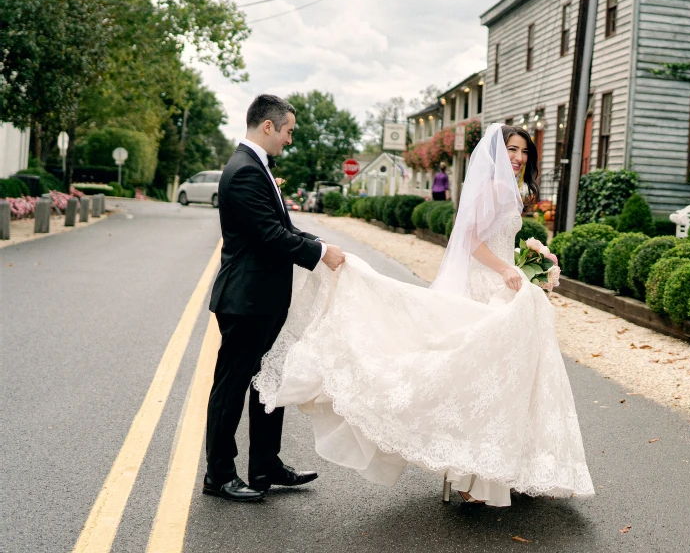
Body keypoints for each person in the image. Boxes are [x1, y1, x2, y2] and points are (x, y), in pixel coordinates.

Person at [254, 124, 592, 507]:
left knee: (488, 382)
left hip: (497, 282)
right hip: (484, 287)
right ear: (496, 154)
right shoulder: (495, 188)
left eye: (524, 152)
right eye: (511, 150)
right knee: (478, 381)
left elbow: (493, 239)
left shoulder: (509, 190)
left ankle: (485, 471)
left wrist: (525, 262)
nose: (517, 158)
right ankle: (472, 478)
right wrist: (507, 269)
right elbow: (470, 240)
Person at [203, 94, 347, 503]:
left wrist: (317, 241)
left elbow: (281, 225)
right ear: (268, 126)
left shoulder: (256, 167)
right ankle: (219, 475)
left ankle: (265, 464)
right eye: (288, 132)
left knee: (269, 381)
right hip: (245, 301)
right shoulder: (245, 171)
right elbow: (269, 235)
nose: (289, 140)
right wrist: (320, 254)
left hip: (262, 301)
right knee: (230, 390)